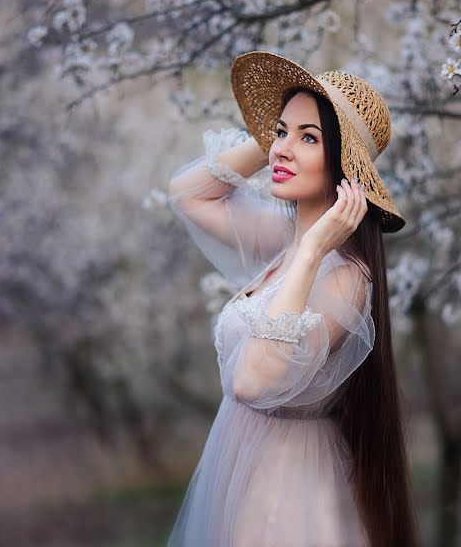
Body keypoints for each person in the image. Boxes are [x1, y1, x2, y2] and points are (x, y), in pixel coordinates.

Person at [165, 51, 418, 547]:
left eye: (311, 138)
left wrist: (312, 251)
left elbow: (252, 381)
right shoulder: (282, 240)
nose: (282, 148)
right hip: (240, 477)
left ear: (344, 163)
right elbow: (187, 193)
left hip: (287, 494)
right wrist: (276, 144)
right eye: (282, 131)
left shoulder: (347, 277)